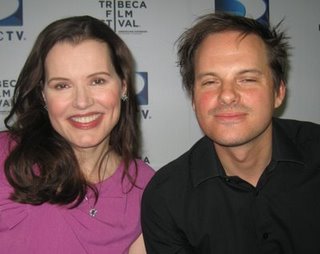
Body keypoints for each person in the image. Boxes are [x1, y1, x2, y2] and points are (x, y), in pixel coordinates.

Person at [141, 12, 320, 253]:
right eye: (210, 82)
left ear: (278, 92)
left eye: (246, 79)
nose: (226, 95)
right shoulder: (166, 198)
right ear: (193, 98)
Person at [0, 15, 154, 254]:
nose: (82, 102)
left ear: (123, 85)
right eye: (62, 85)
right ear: (43, 95)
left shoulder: (147, 189)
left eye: (97, 81)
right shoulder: (3, 156)